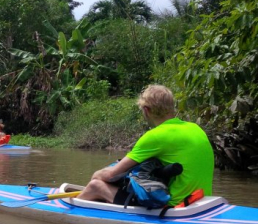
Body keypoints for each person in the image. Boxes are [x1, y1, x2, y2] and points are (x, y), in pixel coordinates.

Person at [77, 84, 214, 206]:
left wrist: (96, 175)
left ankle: (69, 219)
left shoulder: (155, 136)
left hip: (175, 206)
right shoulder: (196, 128)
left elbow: (111, 175)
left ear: (146, 110)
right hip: (201, 200)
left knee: (95, 185)